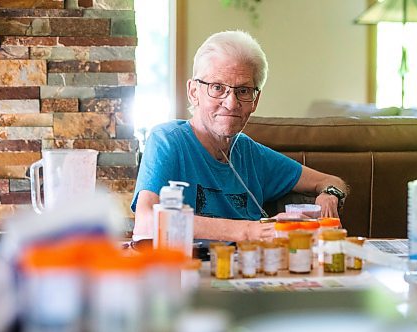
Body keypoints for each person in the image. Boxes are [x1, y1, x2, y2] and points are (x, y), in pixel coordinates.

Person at [131, 30, 348, 243]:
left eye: (243, 91)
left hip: (251, 270)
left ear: (255, 100)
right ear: (193, 92)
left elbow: (332, 181)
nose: (231, 103)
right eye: (217, 87)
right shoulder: (168, 141)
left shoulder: (250, 153)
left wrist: (329, 194)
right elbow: (147, 223)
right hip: (187, 272)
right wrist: (251, 230)